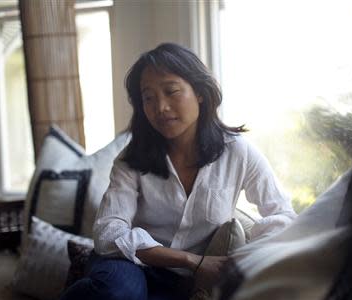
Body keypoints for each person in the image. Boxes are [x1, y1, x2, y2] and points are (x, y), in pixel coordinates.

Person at [59, 43, 296, 300]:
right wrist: (190, 260)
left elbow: (282, 215)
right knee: (120, 292)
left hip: (183, 282)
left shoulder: (238, 152)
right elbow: (108, 234)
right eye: (148, 97)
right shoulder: (131, 160)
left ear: (200, 93)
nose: (160, 107)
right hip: (129, 263)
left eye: (171, 91)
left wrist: (242, 261)